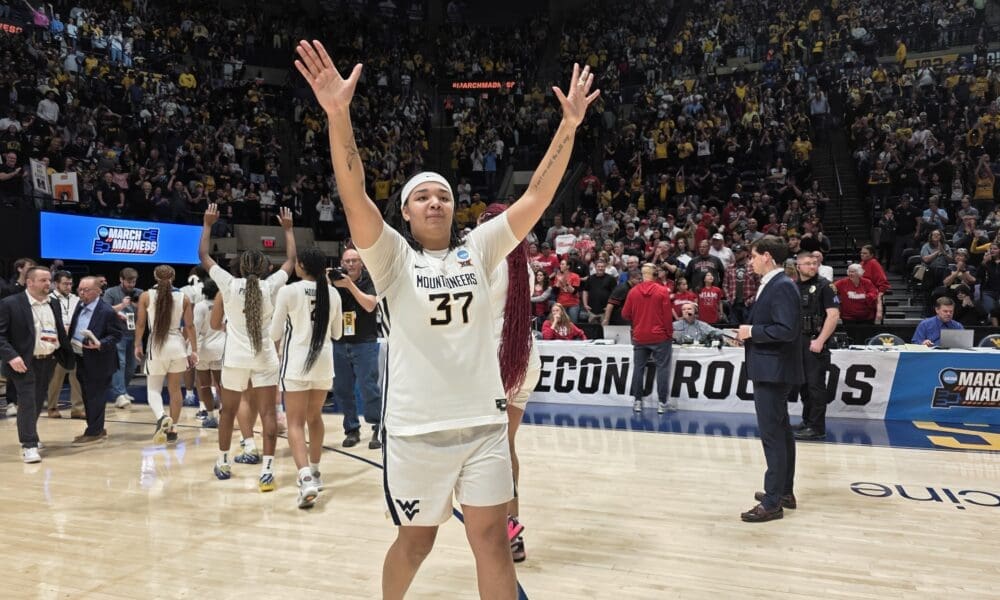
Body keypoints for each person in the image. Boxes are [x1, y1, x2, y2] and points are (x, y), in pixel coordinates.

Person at [295, 39, 597, 599]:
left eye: (443, 196)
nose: (435, 203)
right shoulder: (390, 257)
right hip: (416, 432)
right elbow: (354, 193)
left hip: (483, 426)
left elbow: (535, 195)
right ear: (406, 212)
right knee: (417, 543)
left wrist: (569, 126)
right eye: (423, 197)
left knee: (491, 540)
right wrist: (338, 115)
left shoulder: (478, 249)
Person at [199, 205, 297, 490]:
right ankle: (267, 470)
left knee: (227, 412)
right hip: (266, 357)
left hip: (235, 360)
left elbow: (204, 256)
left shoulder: (228, 285)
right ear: (266, 268)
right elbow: (291, 260)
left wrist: (207, 225)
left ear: (241, 267)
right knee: (268, 414)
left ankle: (223, 461)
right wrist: (288, 230)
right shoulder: (270, 287)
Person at [479, 203, 541, 563]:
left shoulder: (486, 263)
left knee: (494, 453)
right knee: (506, 447)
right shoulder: (524, 265)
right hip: (524, 360)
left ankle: (503, 530)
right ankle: (511, 525)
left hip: (496, 362)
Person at [269, 246, 343, 509]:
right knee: (315, 418)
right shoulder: (333, 293)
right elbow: (337, 333)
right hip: (323, 364)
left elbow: (275, 331)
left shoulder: (288, 291)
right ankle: (316, 470)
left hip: (297, 364)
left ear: (300, 265)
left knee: (295, 423)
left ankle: (305, 478)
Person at [736, 236, 803, 523]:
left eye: (753, 256)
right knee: (782, 432)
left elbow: (786, 330)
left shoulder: (782, 286)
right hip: (771, 367)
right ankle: (783, 491)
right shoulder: (778, 285)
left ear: (767, 256)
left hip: (773, 371)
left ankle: (773, 501)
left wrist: (751, 332)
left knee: (773, 436)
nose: (750, 262)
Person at [0, 267, 72, 463]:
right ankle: (29, 445)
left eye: (49, 280)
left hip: (47, 360)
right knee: (28, 401)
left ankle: (32, 435)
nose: (48, 284)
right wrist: (12, 356)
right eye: (43, 280)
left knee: (39, 401)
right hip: (23, 362)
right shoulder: (10, 304)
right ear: (29, 282)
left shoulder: (54, 303)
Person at [134, 265, 198, 444]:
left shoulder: (146, 296)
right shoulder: (183, 297)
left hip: (157, 345)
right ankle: (173, 428)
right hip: (177, 346)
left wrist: (137, 344)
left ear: (154, 277)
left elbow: (140, 324)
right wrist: (194, 350)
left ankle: (162, 417)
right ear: (174, 277)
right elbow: (190, 326)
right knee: (175, 390)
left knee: (153, 389)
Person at [332, 248, 382, 449]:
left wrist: (349, 285)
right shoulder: (334, 281)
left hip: (364, 341)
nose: (350, 265)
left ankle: (377, 426)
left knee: (368, 387)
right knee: (342, 389)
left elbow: (370, 305)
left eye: (354, 261)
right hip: (339, 341)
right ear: (341, 263)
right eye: (346, 261)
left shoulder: (370, 280)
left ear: (362, 263)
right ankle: (351, 429)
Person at [788, 251, 840, 441]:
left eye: (815, 263)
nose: (813, 266)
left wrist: (820, 340)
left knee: (816, 387)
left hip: (815, 341)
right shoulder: (794, 286)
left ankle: (817, 427)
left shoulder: (825, 286)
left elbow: (833, 316)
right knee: (804, 385)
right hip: (798, 342)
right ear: (798, 266)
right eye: (808, 263)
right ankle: (807, 421)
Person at [68, 276, 124, 445]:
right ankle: (95, 427)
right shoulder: (80, 305)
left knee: (96, 397)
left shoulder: (106, 311)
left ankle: (94, 432)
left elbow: (116, 335)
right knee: (87, 395)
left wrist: (100, 344)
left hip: (100, 361)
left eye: (86, 290)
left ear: (97, 291)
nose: (82, 293)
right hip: (81, 357)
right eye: (80, 290)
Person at [622, 263, 675, 413]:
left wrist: (638, 318)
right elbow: (667, 316)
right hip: (659, 337)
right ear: (655, 274)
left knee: (638, 369)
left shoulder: (633, 291)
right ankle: (662, 403)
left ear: (642, 274)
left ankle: (637, 402)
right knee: (662, 369)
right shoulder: (662, 291)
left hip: (639, 336)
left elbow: (625, 314)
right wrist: (669, 334)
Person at [46, 270, 85, 419]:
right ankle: (52, 407)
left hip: (74, 342)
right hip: (57, 343)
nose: (68, 286)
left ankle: (77, 408)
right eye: (65, 283)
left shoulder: (76, 299)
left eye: (70, 283)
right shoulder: (49, 299)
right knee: (56, 377)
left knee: (77, 376)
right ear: (56, 284)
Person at [103, 267, 141, 409]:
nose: (131, 285)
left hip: (134, 333)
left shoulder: (139, 293)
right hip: (117, 333)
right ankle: (119, 394)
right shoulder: (111, 292)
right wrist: (122, 306)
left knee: (132, 366)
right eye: (129, 282)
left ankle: (123, 391)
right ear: (121, 279)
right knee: (121, 363)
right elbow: (104, 311)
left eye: (134, 281)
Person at [193, 279, 224, 428]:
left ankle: (211, 417)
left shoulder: (200, 306)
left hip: (203, 350)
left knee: (204, 385)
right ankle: (225, 416)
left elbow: (195, 328)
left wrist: (191, 351)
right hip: (220, 349)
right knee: (221, 385)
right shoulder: (224, 305)